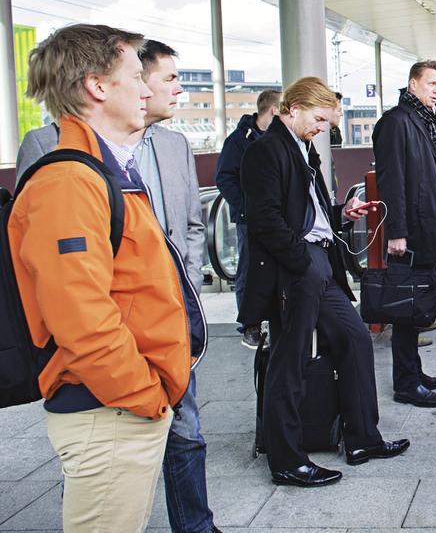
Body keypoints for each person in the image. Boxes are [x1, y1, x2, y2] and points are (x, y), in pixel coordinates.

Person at [16, 23, 202, 532]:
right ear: (98, 86)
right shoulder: (69, 181)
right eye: (135, 76)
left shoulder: (100, 171)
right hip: (111, 411)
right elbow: (81, 320)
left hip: (121, 407)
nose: (147, 89)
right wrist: (146, 394)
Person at [239, 76, 409, 487]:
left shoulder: (302, 148)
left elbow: (305, 213)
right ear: (292, 109)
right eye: (318, 119)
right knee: (289, 362)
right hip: (297, 268)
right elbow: (265, 221)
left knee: (355, 338)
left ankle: (363, 437)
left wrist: (340, 214)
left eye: (327, 123)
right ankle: (286, 460)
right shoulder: (265, 151)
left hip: (317, 262)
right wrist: (304, 262)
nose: (322, 128)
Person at [124, 38, 218, 533]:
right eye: (172, 79)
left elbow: (194, 225)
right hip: (113, 325)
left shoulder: (175, 144)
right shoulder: (53, 144)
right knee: (115, 443)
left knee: (188, 430)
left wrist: (191, 285)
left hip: (176, 317)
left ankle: (197, 526)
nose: (180, 89)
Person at [373, 60, 436, 408]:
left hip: (427, 224)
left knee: (416, 304)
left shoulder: (426, 121)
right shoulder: (396, 123)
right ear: (412, 85)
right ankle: (406, 382)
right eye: (430, 84)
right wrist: (396, 231)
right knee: (406, 307)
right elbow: (391, 181)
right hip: (411, 230)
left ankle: (413, 371)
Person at [215, 89, 282, 349]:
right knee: (248, 270)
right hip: (250, 219)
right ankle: (250, 326)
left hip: (274, 216)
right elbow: (224, 178)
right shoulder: (239, 140)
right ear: (273, 110)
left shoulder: (277, 137)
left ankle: (271, 320)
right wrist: (246, 208)